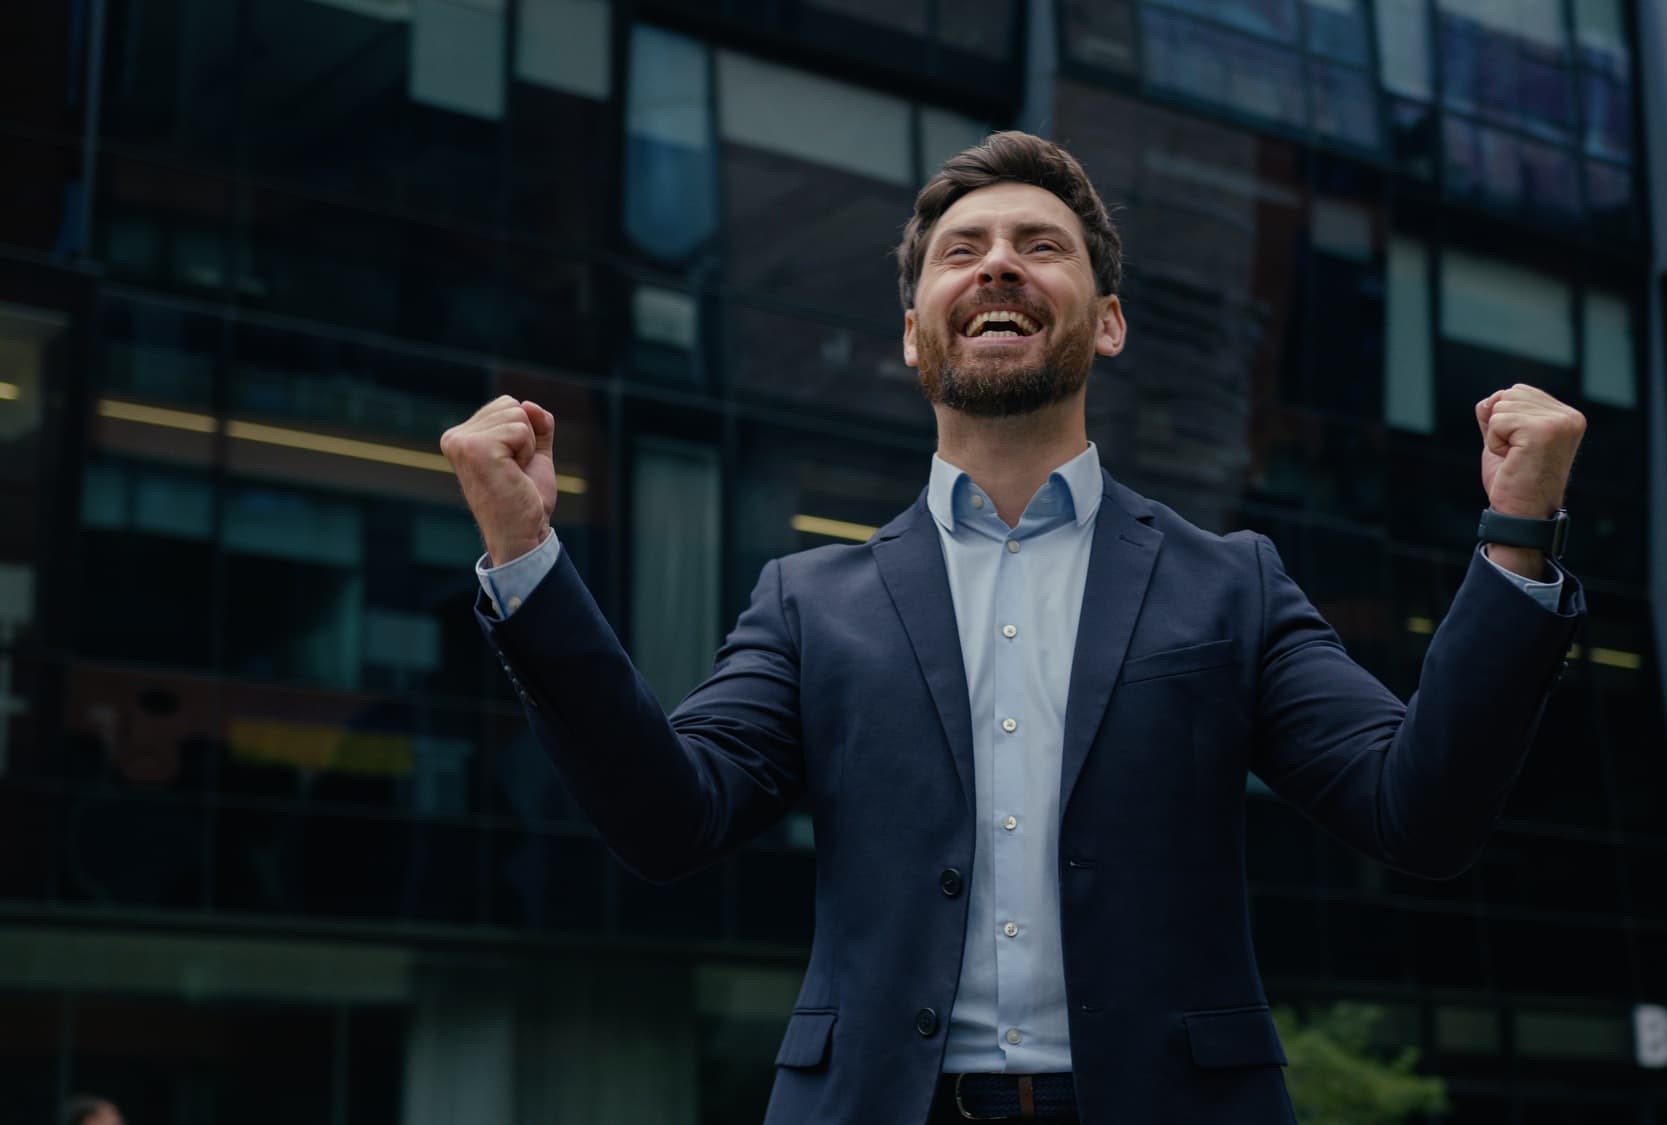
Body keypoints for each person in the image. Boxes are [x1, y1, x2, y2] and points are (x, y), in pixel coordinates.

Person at [440, 131, 1586, 1124]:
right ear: (912, 334)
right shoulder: (806, 602)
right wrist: (526, 555)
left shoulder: (1229, 584)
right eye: (963, 250)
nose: (998, 263)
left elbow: (1415, 814)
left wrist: (1515, 536)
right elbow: (665, 820)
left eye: (1040, 246)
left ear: (1109, 322)